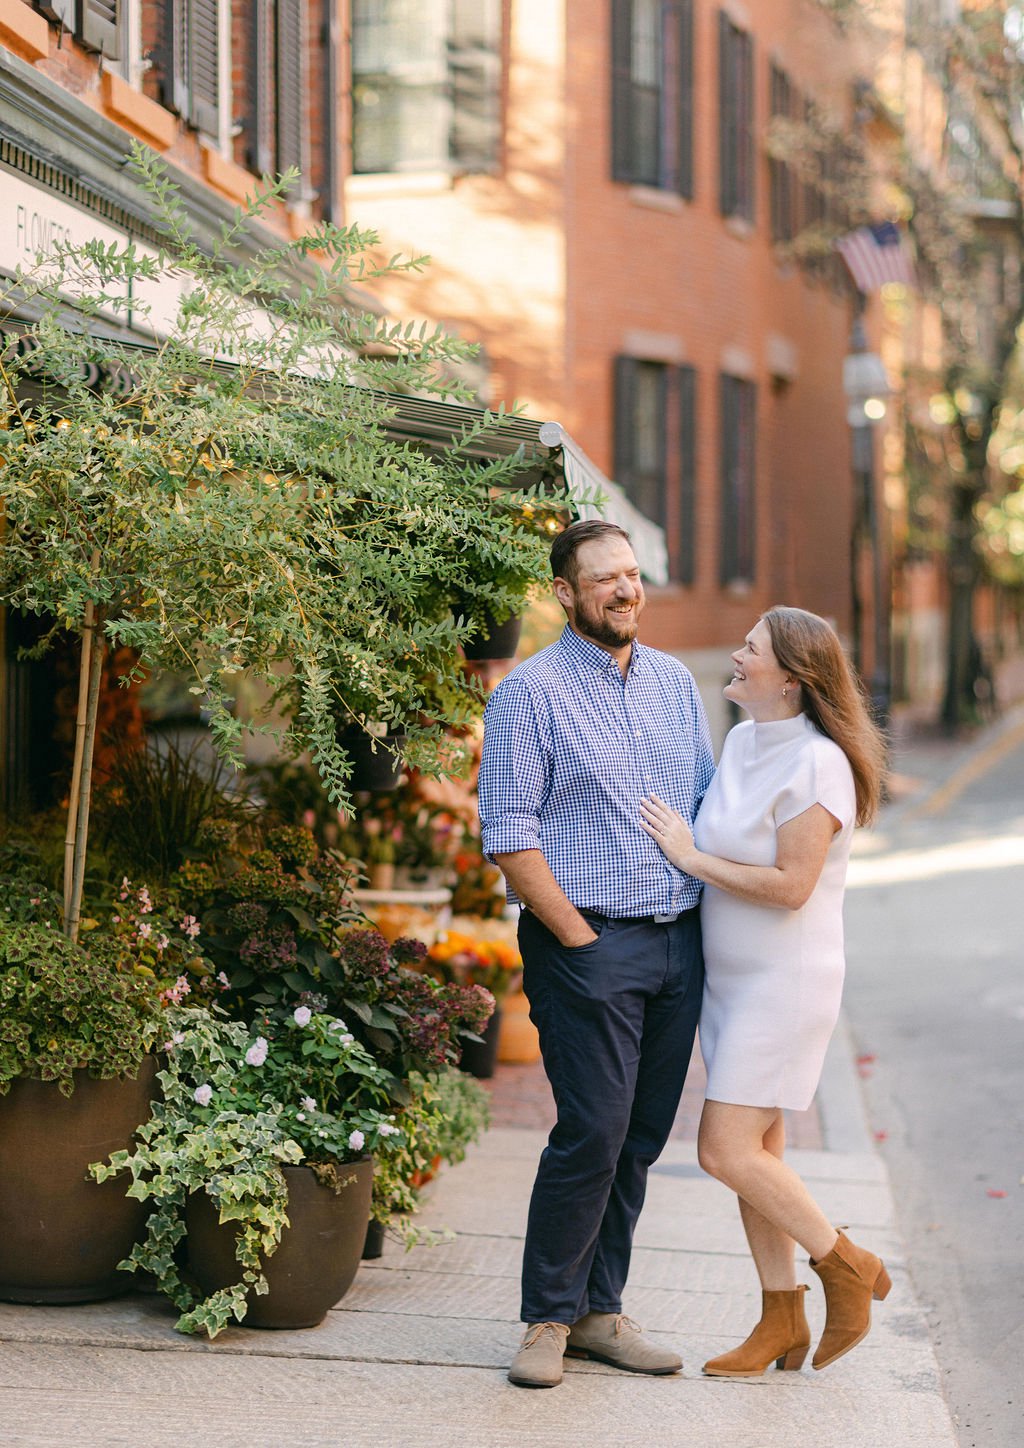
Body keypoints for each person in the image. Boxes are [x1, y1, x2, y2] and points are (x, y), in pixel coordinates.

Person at [478, 519, 714, 1389]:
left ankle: (600, 1312)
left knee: (642, 1137)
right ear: (565, 594)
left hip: (676, 948)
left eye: (632, 574)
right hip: (591, 945)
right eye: (604, 579)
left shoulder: (676, 683)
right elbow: (509, 833)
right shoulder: (527, 695)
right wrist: (578, 938)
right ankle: (547, 1318)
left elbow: (705, 800)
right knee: (593, 1130)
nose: (625, 591)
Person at [639, 605, 889, 1377]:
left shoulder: (820, 765)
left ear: (790, 676)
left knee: (723, 1149)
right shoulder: (745, 740)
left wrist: (687, 856)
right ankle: (780, 1318)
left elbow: (790, 887)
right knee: (761, 1153)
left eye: (751, 648)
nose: (738, 654)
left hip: (785, 984)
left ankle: (844, 1262)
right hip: (732, 984)